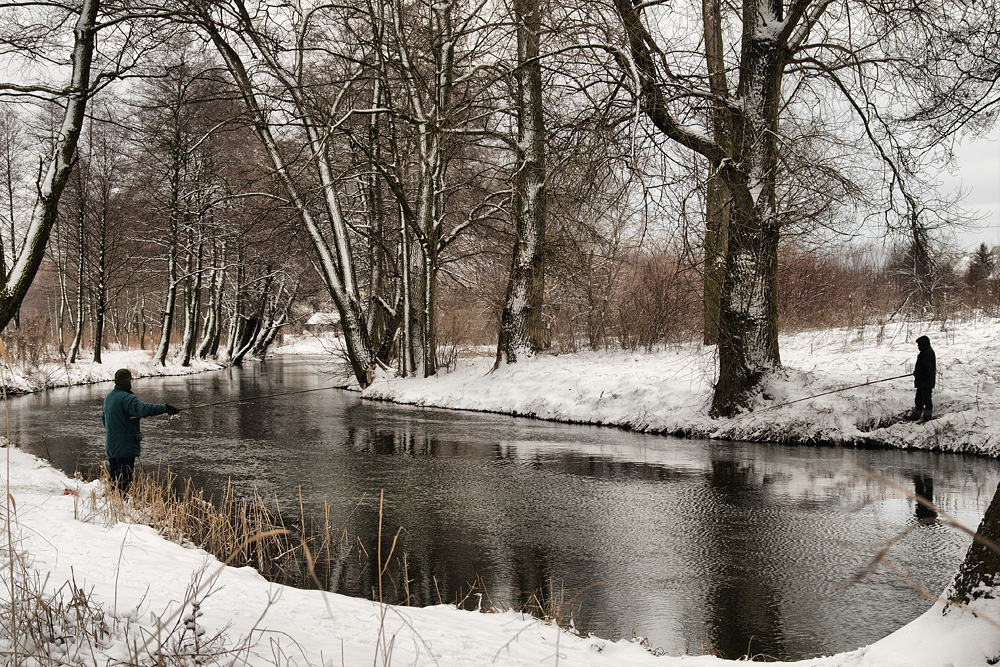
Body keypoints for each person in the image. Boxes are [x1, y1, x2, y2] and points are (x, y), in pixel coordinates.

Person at [101, 368, 180, 493]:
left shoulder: (109, 397)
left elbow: (104, 421)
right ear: (127, 381)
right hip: (125, 447)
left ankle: (114, 503)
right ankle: (121, 504)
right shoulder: (127, 398)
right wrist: (165, 408)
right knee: (124, 479)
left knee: (114, 478)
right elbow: (144, 409)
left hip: (111, 446)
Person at [911, 335, 936, 423]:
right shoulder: (925, 352)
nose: (918, 347)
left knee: (926, 400)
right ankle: (916, 415)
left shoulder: (928, 353)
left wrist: (918, 374)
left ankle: (927, 417)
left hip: (926, 382)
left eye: (919, 345)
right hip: (922, 382)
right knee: (919, 399)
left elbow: (926, 369)